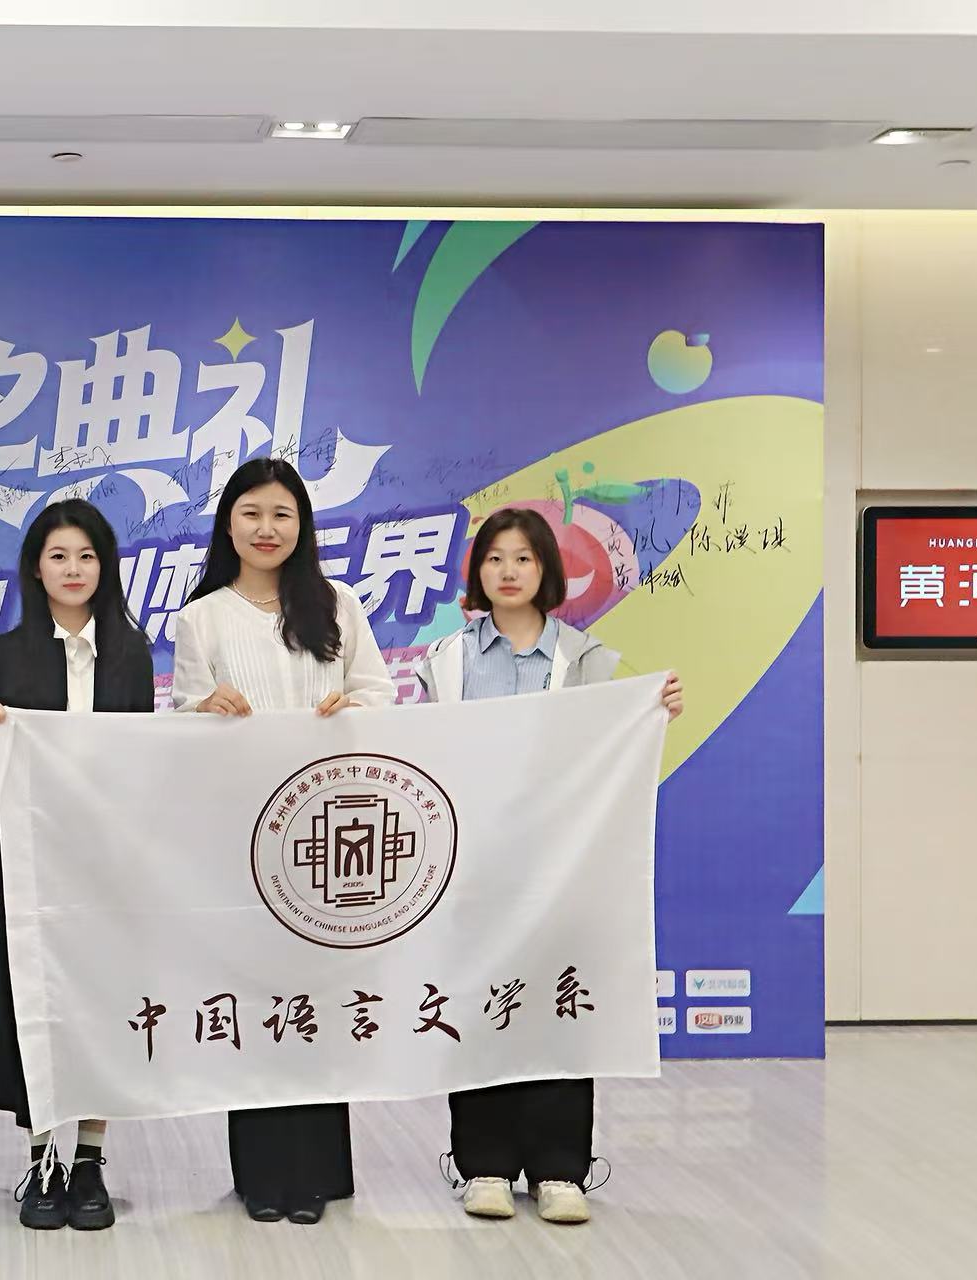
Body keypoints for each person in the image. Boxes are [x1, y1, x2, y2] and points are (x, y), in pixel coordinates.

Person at [414, 505, 684, 1227]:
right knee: (480, 1009)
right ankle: (484, 1165)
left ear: (547, 570)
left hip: (561, 867)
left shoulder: (588, 660)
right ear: (477, 571)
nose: (508, 571)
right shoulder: (445, 659)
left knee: (560, 1006)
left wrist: (653, 709)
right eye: (494, 558)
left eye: (523, 558)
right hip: (472, 867)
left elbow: (610, 747)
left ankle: (561, 1168)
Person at [170, 457, 392, 1225]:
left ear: (302, 525)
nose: (267, 528)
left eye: (282, 514)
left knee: (322, 997)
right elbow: (180, 719)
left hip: (329, 831)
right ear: (228, 523)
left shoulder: (337, 603)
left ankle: (320, 1173)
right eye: (252, 513)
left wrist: (351, 710)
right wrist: (204, 709)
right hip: (242, 834)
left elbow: (379, 695)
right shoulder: (201, 618)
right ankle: (261, 1174)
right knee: (259, 995)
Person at [0, 499, 156, 1231]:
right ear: (35, 568)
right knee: (34, 1003)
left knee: (101, 1002)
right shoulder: (4, 655)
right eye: (58, 556)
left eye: (86, 556)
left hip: (108, 860)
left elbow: (143, 760)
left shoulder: (132, 654)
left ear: (105, 567)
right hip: (30, 858)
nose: (73, 570)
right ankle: (42, 1157)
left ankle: (91, 1159)